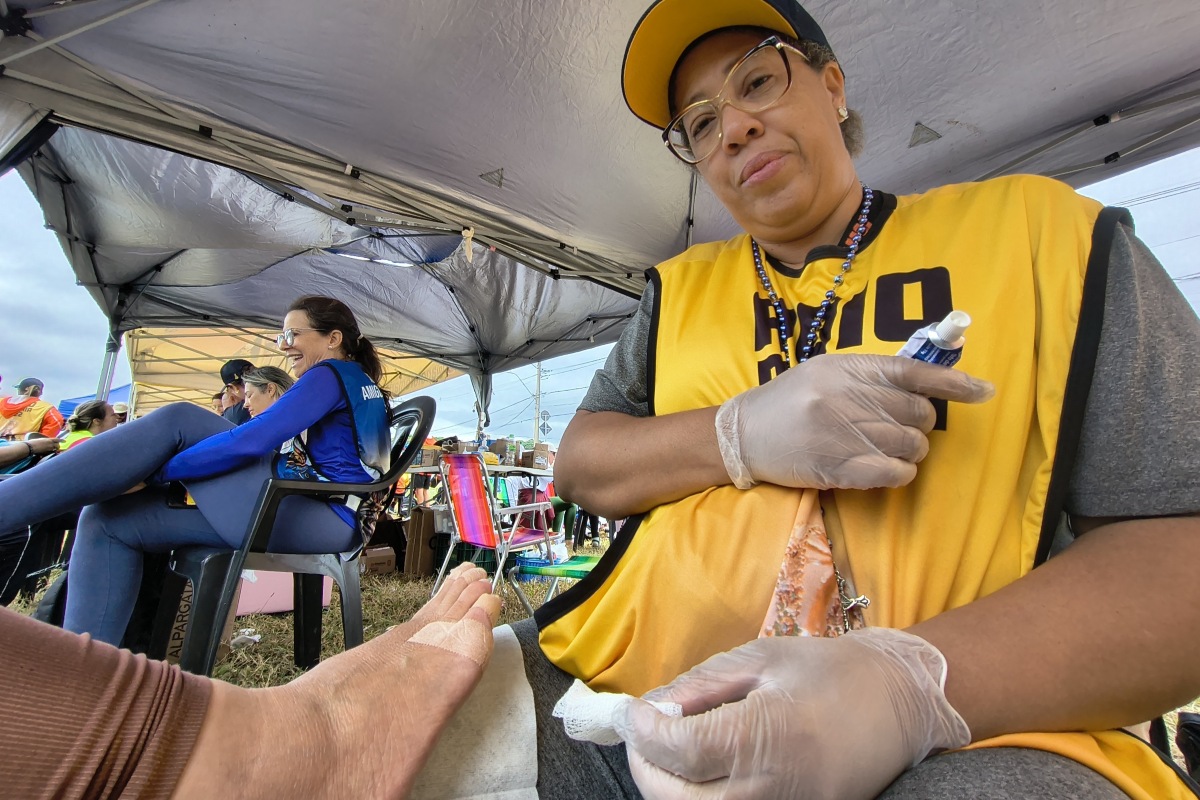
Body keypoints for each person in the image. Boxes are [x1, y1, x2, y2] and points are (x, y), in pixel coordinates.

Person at [411, 2, 1197, 799]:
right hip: (644, 699)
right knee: (413, 716)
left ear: (834, 87)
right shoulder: (679, 292)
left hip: (971, 731)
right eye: (702, 122)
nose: (734, 128)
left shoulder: (1042, 238)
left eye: (757, 81)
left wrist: (906, 688)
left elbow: (1180, 549)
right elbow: (581, 466)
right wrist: (736, 436)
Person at [0, 295, 393, 646]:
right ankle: (87, 671)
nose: (284, 346)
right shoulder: (356, 380)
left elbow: (252, 440)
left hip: (322, 516)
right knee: (107, 519)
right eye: (281, 336)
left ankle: (6, 505)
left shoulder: (329, 374)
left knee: (180, 419)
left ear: (333, 338)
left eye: (293, 335)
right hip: (320, 512)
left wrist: (156, 473)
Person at [4, 562, 501, 799]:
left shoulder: (321, 394)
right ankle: (248, 759)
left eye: (249, 395)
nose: (244, 398)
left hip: (313, 505)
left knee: (114, 510)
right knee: (109, 514)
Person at [219, 358, 256, 425]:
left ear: (233, 387)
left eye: (229, 389)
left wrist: (228, 411)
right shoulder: (273, 391)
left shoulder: (236, 414)